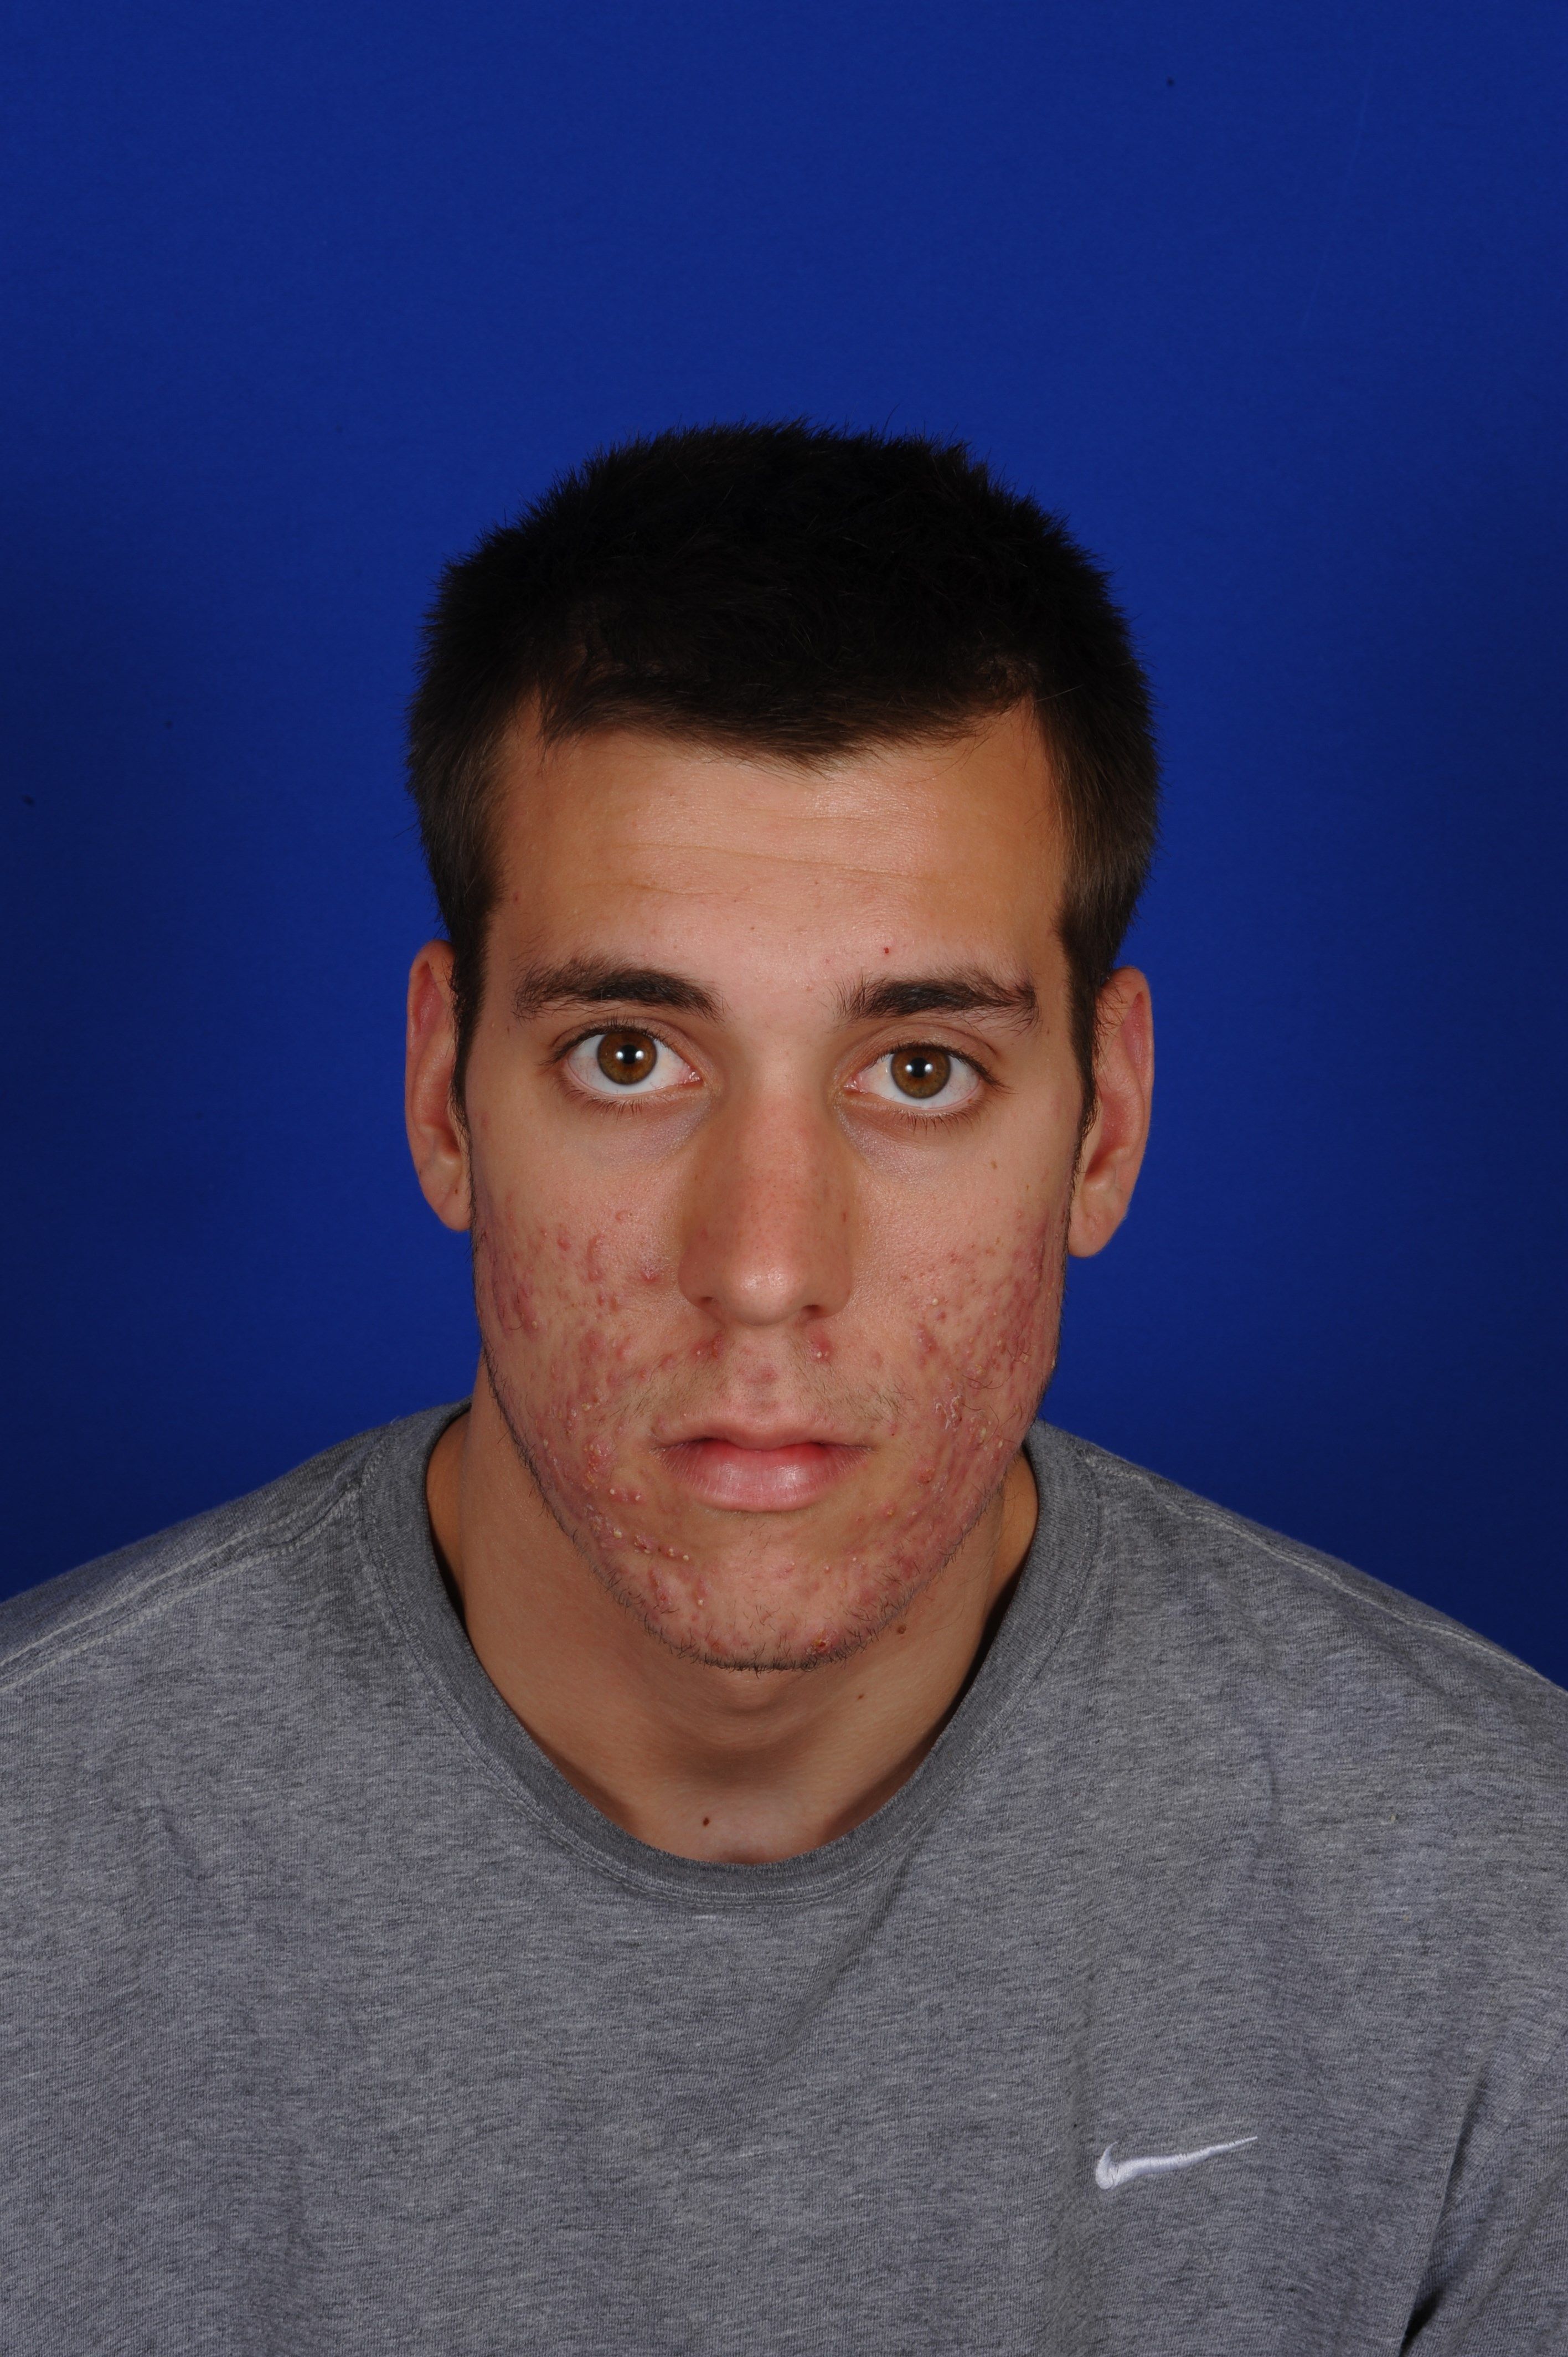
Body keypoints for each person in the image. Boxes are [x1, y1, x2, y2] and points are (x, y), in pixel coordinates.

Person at [3, 424, 1564, 2355]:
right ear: (442, 1097)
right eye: (629, 1056)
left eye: (918, 1072)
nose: (761, 1266)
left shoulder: (1505, 1919)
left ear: (1104, 1130)